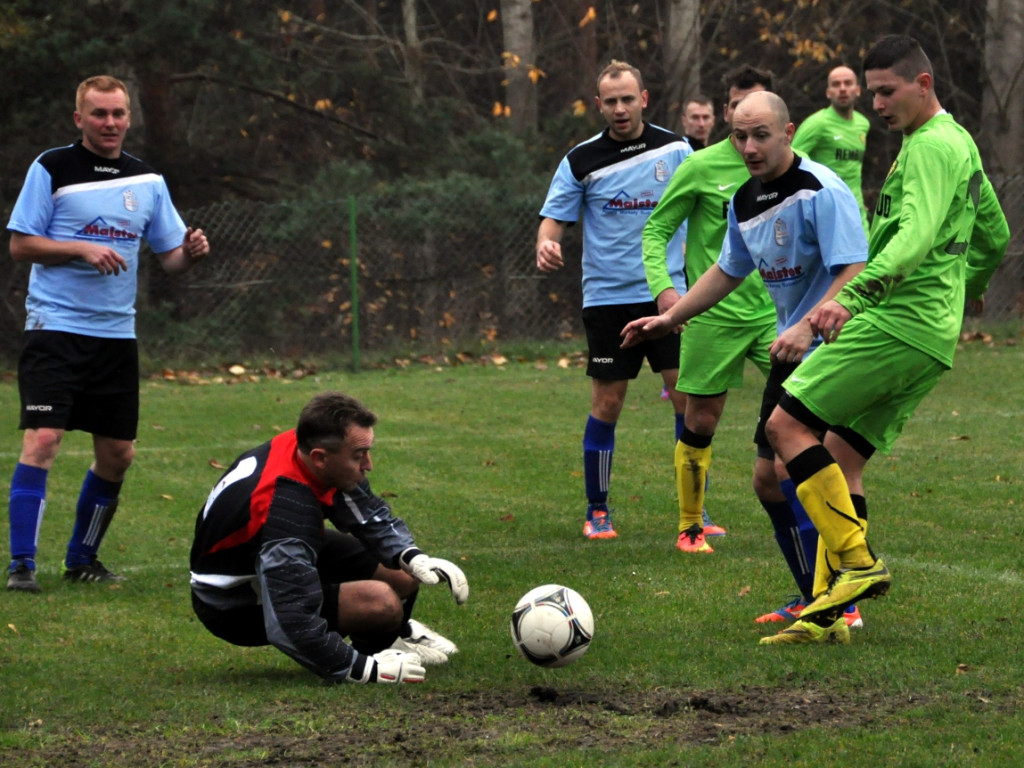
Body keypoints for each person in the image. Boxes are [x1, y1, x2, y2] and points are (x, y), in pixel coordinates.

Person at [760, 35, 1009, 645]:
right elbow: (995, 236)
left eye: (886, 91)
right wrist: (962, 291)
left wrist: (851, 295)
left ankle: (860, 567)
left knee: (786, 428)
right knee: (842, 461)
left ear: (923, 85)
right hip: (931, 332)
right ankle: (830, 614)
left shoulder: (929, 147)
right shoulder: (959, 143)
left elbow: (914, 239)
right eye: (871, 91)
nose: (874, 103)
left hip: (898, 322)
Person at [623, 91, 868, 631]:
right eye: (740, 135)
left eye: (761, 135)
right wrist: (670, 318)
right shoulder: (743, 199)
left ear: (789, 131)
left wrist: (809, 326)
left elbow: (855, 268)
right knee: (767, 481)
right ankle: (815, 596)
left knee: (796, 467)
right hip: (792, 345)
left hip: (834, 346)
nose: (750, 146)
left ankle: (842, 600)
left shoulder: (821, 190)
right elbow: (727, 270)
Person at [5, 75, 211, 593]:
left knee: (118, 454)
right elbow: (21, 246)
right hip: (54, 327)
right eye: (99, 114)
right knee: (44, 438)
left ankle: (82, 560)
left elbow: (170, 259)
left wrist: (192, 251)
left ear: (128, 117)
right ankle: (21, 565)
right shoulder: (52, 167)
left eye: (118, 113)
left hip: (116, 338)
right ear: (80, 119)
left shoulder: (148, 182)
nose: (110, 123)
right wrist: (80, 249)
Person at [190, 391, 469, 683]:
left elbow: (361, 507)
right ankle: (376, 652)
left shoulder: (305, 445)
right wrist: (363, 669)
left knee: (403, 573)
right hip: (231, 603)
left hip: (262, 551)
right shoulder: (285, 512)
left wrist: (410, 555)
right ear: (320, 458)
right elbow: (290, 623)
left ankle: (391, 639)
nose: (369, 464)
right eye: (359, 456)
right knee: (381, 602)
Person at [536, 60, 693, 540]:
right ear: (599, 103)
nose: (621, 108)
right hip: (607, 298)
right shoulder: (581, 159)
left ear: (644, 98)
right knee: (608, 402)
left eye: (628, 99)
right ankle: (597, 510)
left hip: (669, 297)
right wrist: (547, 241)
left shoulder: (678, 150)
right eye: (611, 101)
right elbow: (553, 218)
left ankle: (695, 514)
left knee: (689, 401)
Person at [641, 64, 777, 554]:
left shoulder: (790, 170)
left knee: (808, 409)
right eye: (740, 110)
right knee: (700, 421)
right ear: (726, 114)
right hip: (712, 317)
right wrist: (665, 291)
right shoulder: (700, 168)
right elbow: (656, 232)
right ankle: (691, 526)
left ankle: (808, 514)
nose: (749, 126)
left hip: (776, 317)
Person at [792, 65, 872, 232]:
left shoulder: (863, 124)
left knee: (866, 256)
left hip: (856, 210)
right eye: (836, 84)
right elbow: (790, 159)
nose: (842, 89)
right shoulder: (817, 124)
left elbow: (853, 169)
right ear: (828, 92)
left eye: (848, 83)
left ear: (857, 90)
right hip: (826, 211)